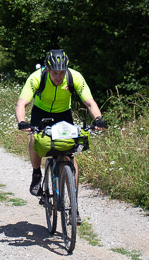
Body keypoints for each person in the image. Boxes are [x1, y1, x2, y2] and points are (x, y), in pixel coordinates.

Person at [15, 49, 107, 202]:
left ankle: (73, 202)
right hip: (41, 112)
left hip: (63, 113)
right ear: (48, 69)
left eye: (62, 73)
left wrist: (98, 118)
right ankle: (36, 173)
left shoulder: (74, 77)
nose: (59, 77)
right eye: (55, 73)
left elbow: (90, 102)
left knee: (69, 155)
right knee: (34, 139)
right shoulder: (37, 77)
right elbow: (21, 103)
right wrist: (22, 122)